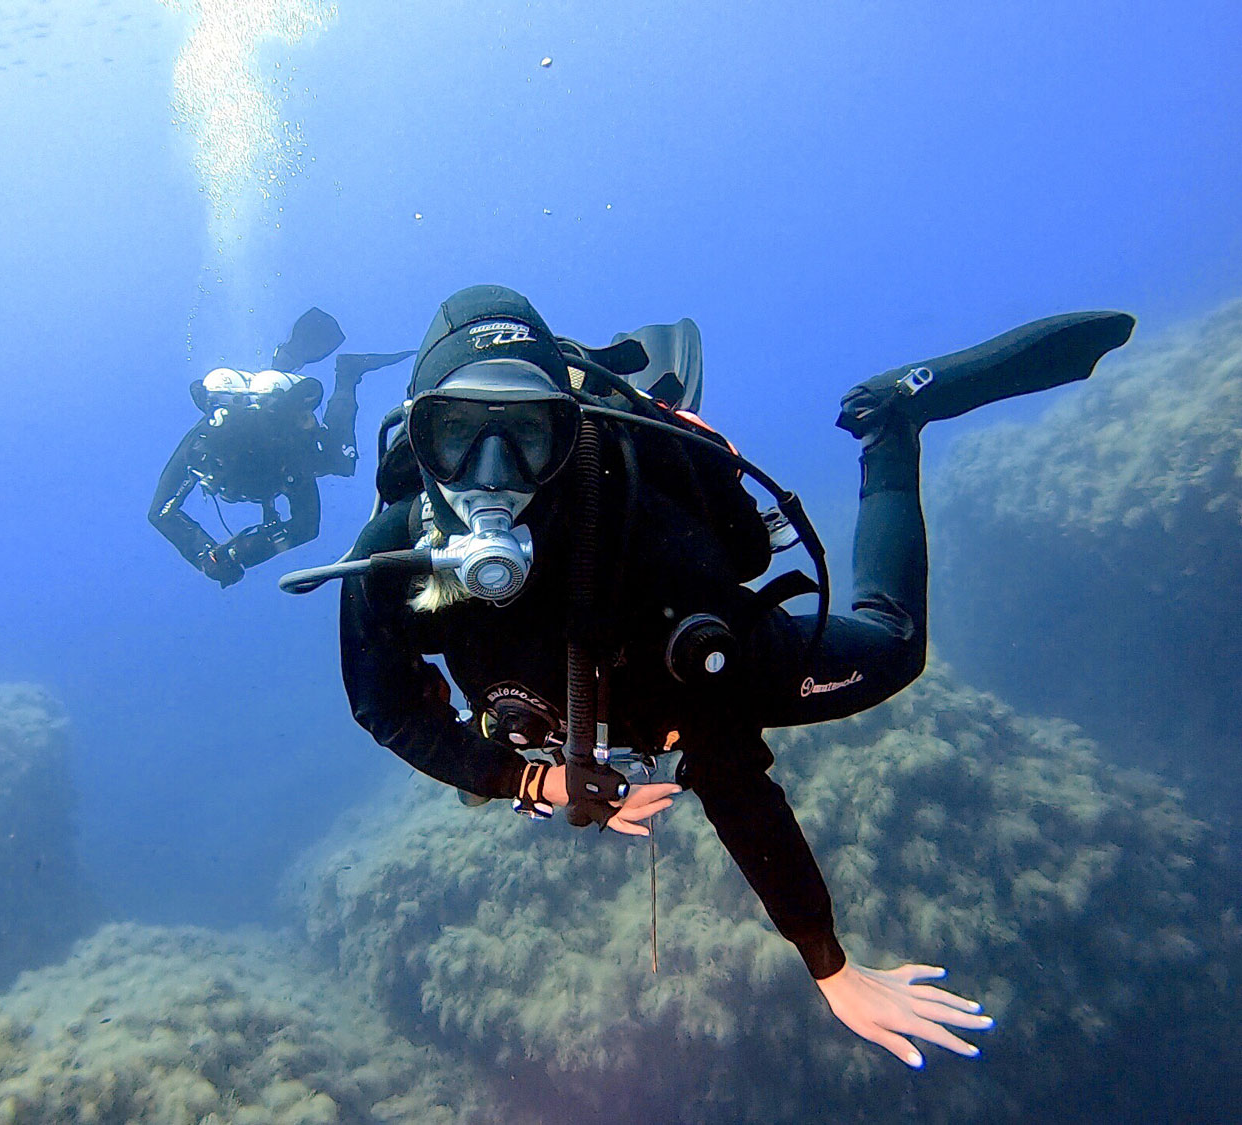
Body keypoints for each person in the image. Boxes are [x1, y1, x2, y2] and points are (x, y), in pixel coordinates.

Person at [335, 285, 1134, 1067]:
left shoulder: (644, 537)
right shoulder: (388, 556)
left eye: (527, 435)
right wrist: (531, 779)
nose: (494, 471)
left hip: (679, 650)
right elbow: (385, 704)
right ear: (421, 437)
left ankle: (894, 416)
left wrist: (829, 962)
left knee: (894, 648)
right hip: (582, 705)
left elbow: (726, 764)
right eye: (460, 433)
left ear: (568, 429)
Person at [148, 308, 413, 586]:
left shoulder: (213, 447)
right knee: (318, 448)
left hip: (283, 450)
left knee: (341, 462)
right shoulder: (204, 446)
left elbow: (162, 512)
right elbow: (305, 527)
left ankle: (346, 374)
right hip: (278, 442)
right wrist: (221, 555)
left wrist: (223, 555)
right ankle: (291, 366)